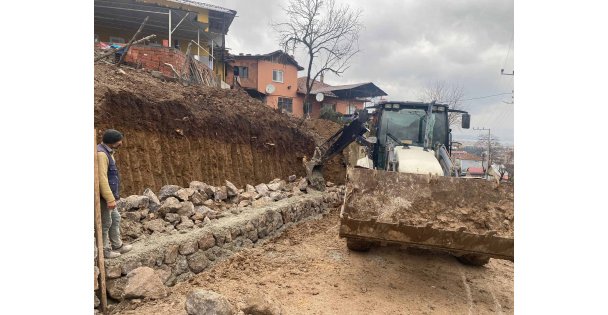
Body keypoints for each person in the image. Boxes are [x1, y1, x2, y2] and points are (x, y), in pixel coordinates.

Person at [97, 129, 132, 258]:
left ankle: (117, 245)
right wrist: (110, 198)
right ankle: (105, 250)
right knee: (105, 223)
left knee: (115, 218)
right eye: (119, 140)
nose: (121, 143)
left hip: (109, 196)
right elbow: (102, 179)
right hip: (103, 198)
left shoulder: (108, 152)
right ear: (112, 142)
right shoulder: (101, 154)